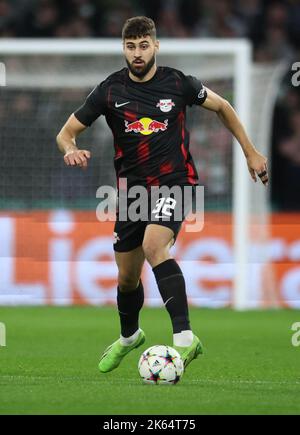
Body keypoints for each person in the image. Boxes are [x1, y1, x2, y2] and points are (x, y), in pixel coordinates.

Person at [56, 16, 268, 373]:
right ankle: (129, 338)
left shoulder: (179, 83)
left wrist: (250, 151)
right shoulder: (109, 90)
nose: (137, 53)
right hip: (132, 193)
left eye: (143, 45)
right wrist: (69, 149)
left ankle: (185, 337)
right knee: (126, 276)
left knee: (156, 246)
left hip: (176, 182)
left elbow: (222, 107)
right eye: (130, 46)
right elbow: (66, 132)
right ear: (123, 48)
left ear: (155, 46)